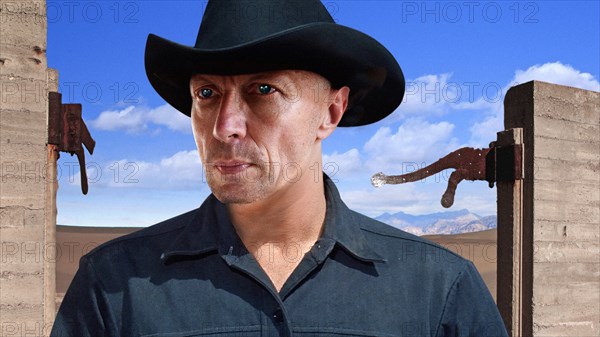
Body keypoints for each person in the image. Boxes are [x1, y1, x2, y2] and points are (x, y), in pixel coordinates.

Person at [51, 1, 509, 336]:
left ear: (330, 113)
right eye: (207, 94)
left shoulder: (438, 287)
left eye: (264, 89)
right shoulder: (112, 285)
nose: (224, 127)